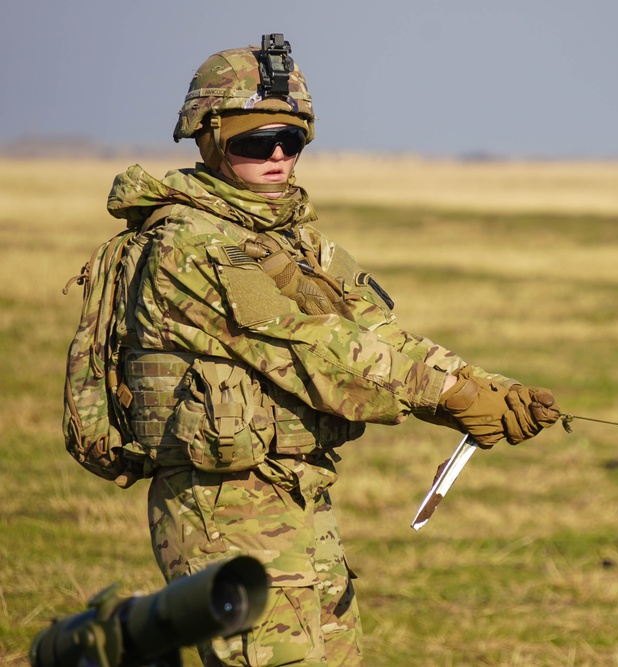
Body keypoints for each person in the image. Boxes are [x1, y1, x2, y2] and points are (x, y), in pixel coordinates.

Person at [104, 34, 560, 667]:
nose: (277, 156)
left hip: (298, 486)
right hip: (221, 502)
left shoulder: (293, 239)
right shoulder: (188, 246)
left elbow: (377, 334)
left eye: (291, 140)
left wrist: (487, 387)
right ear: (208, 139)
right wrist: (450, 399)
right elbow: (315, 349)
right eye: (253, 141)